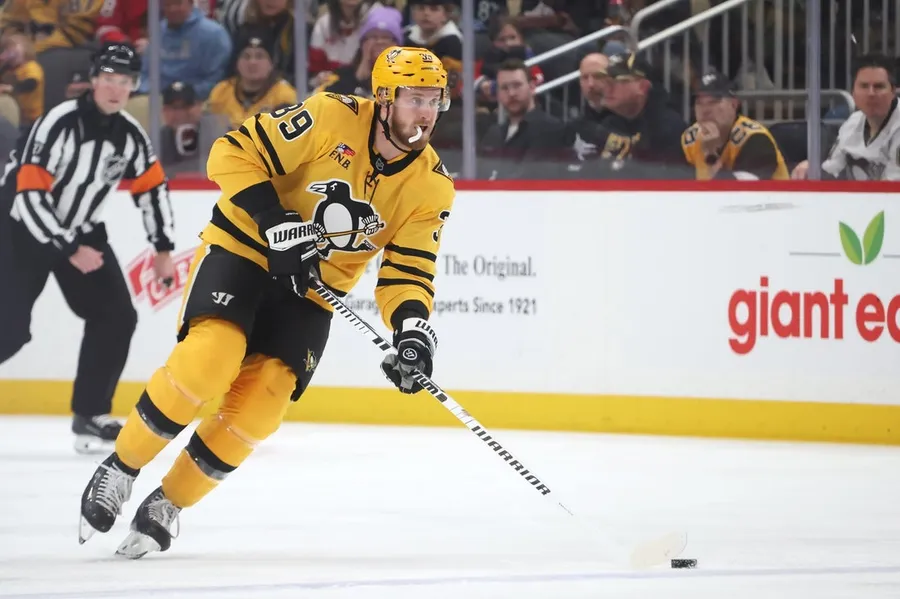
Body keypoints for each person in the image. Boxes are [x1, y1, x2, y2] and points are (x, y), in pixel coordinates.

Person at [77, 46, 456, 559]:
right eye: (415, 99)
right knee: (210, 358)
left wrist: (411, 328)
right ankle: (121, 467)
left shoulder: (431, 186)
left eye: (435, 101)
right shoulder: (330, 115)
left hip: (311, 290)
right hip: (243, 250)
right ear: (384, 99)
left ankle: (169, 502)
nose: (427, 113)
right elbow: (230, 153)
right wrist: (276, 221)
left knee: (263, 404)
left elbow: (408, 272)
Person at [0, 43, 176, 453]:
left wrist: (163, 249)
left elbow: (152, 189)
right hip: (19, 230)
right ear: (94, 81)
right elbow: (28, 195)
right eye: (109, 79)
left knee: (116, 316)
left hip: (80, 232)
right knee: (9, 332)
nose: (116, 89)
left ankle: (91, 415)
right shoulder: (57, 123)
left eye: (125, 82)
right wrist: (68, 248)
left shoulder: (130, 135)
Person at [792, 54, 900, 181]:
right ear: (853, 92)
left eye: (879, 86)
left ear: (893, 91)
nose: (871, 93)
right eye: (864, 86)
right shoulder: (853, 123)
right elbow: (832, 169)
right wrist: (812, 168)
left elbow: (893, 187)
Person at [681, 69, 788, 180]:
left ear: (733, 104)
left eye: (713, 102)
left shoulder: (756, 139)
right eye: (699, 103)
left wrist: (711, 156)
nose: (705, 110)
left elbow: (739, 190)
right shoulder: (689, 140)